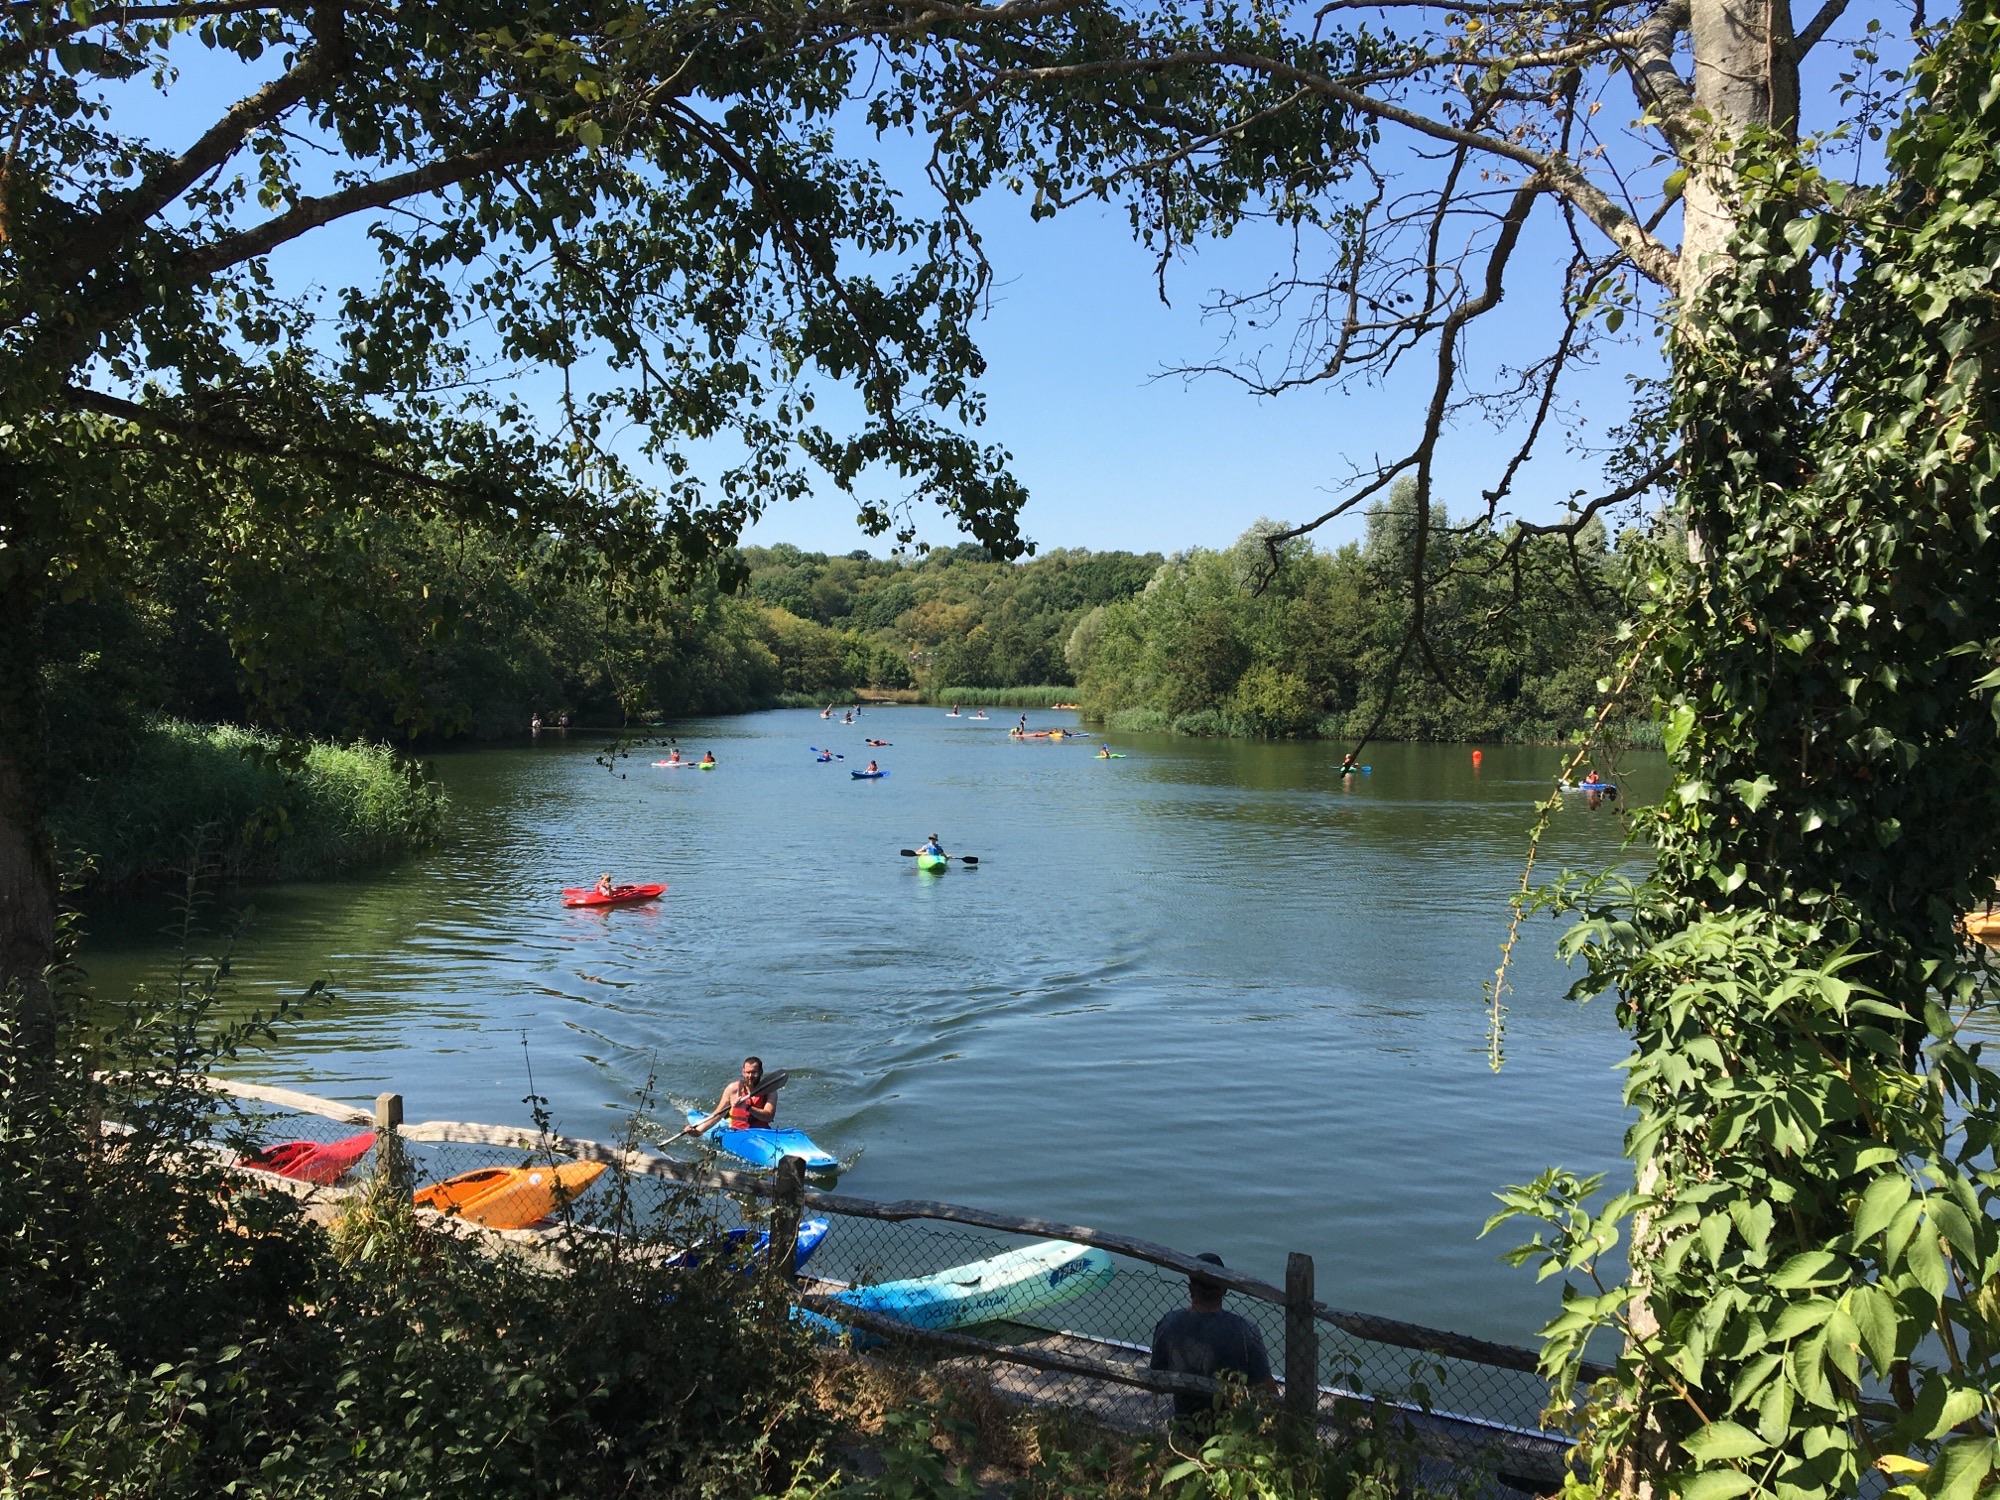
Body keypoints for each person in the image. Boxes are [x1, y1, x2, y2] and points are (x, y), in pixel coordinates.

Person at [1148, 1253, 1277, 1421]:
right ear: (1225, 1289)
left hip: (1185, 1424)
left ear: (1190, 1288)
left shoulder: (1169, 1324)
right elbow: (1268, 1389)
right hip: (1232, 1426)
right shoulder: (1246, 1331)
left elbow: (1157, 1378)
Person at [685, 1057, 777, 1135]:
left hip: (762, 1133)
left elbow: (768, 1117)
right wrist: (697, 1132)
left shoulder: (770, 1092)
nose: (750, 1076)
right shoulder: (733, 1089)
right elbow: (717, 1115)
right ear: (743, 1072)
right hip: (737, 1132)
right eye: (747, 1072)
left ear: (761, 1072)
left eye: (754, 1072)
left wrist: (748, 1107)